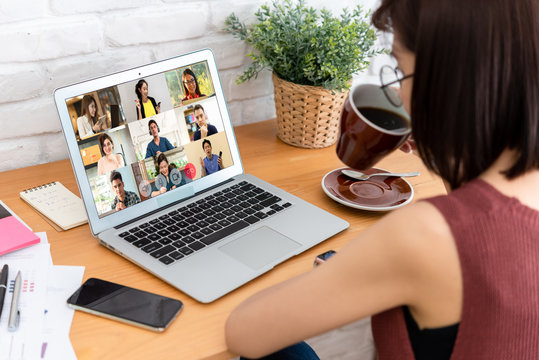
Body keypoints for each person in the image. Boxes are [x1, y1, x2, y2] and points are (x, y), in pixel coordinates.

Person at [225, 1, 539, 359]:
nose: (398, 93)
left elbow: (243, 333)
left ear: (445, 81)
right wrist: (452, 149)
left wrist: (345, 274)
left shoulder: (425, 235)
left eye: (401, 70)